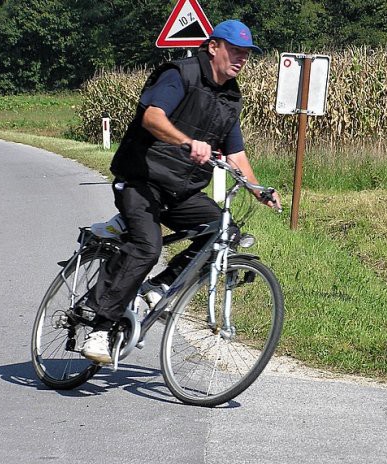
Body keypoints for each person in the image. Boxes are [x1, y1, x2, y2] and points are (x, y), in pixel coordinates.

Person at [80, 19, 281, 364]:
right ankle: (99, 326)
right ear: (213, 46)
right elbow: (153, 118)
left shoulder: (231, 97)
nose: (241, 58)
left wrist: (257, 189)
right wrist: (188, 142)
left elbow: (236, 154)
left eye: (246, 54)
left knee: (223, 231)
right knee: (147, 245)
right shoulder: (180, 74)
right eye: (234, 50)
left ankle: (158, 287)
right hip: (141, 178)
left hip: (180, 190)